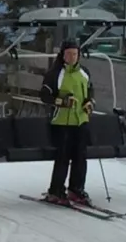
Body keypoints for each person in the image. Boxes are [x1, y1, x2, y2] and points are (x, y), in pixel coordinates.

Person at [39, 39, 94, 205]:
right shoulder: (54, 74)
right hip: (61, 122)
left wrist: (89, 102)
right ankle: (56, 190)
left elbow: (90, 90)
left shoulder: (84, 72)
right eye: (69, 54)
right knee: (63, 157)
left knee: (80, 157)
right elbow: (44, 96)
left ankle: (76, 188)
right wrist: (62, 102)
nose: (72, 57)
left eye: (75, 54)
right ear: (62, 55)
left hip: (81, 120)